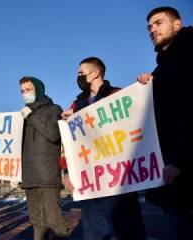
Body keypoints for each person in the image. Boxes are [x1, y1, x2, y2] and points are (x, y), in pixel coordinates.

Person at [62, 57, 146, 240]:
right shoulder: (76, 104)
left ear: (95, 72)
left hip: (118, 178)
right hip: (90, 181)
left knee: (127, 229)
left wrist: (144, 87)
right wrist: (69, 172)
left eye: (81, 73)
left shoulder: (116, 95)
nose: (78, 77)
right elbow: (73, 143)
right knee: (94, 233)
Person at [137, 6, 193, 239]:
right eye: (149, 26)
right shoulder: (161, 69)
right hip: (172, 171)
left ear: (177, 24)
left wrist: (180, 159)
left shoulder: (188, 55)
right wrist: (149, 85)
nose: (152, 29)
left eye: (158, 23)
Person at [18, 76, 68, 240]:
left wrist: (31, 117)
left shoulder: (53, 109)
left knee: (55, 223)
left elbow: (53, 135)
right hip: (30, 177)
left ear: (38, 90)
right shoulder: (23, 115)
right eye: (22, 91)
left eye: (28, 90)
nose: (25, 94)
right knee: (37, 223)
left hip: (46, 177)